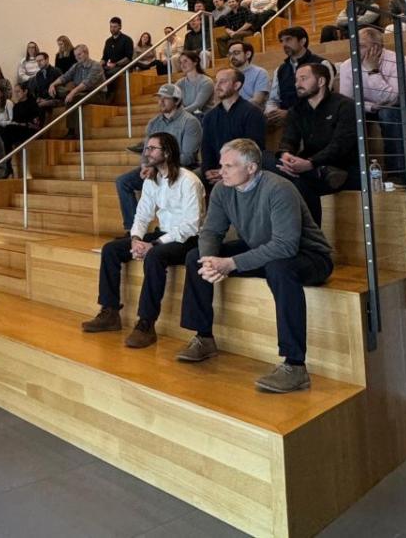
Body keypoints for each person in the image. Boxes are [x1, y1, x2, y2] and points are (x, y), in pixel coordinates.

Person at [177, 138, 334, 393]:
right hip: (262, 249)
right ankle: (203, 337)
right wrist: (210, 261)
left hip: (310, 256)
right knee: (195, 255)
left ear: (251, 168)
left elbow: (285, 246)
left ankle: (295, 366)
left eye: (229, 166)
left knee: (279, 268)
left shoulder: (278, 188)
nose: (221, 171)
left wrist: (230, 263)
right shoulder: (222, 190)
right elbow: (211, 232)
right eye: (221, 165)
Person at [83, 132, 204, 348]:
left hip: (189, 239)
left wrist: (153, 245)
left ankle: (146, 323)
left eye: (152, 148)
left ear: (166, 153)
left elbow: (190, 225)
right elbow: (142, 215)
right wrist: (136, 240)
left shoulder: (189, 181)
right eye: (146, 148)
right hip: (163, 234)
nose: (146, 153)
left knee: (155, 255)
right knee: (111, 249)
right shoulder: (152, 180)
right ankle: (110, 312)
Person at [266, 63, 359, 226]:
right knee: (263, 158)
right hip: (311, 167)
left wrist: (311, 163)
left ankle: (311, 241)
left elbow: (341, 145)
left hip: (341, 167)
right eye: (296, 80)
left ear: (321, 81)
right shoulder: (297, 110)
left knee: (299, 183)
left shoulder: (345, 105)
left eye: (303, 79)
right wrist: (285, 154)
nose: (297, 84)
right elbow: (288, 139)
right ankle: (319, 172)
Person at [115, 84, 201, 231]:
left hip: (181, 167)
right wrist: (145, 166)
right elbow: (146, 150)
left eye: (165, 98)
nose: (160, 101)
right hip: (157, 166)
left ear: (177, 101)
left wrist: (157, 167)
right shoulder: (154, 122)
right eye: (159, 98)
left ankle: (173, 229)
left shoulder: (190, 122)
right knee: (123, 182)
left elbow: (187, 157)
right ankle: (132, 229)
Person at [337, 27, 406, 179]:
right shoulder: (347, 66)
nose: (355, 50)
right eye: (353, 45)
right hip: (370, 107)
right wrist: (370, 107)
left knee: (388, 112)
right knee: (345, 115)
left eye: (361, 46)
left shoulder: (399, 61)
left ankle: (398, 174)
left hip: (403, 106)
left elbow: (392, 99)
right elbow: (346, 103)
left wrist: (372, 70)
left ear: (377, 47)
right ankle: (354, 174)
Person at [200, 69, 267, 190]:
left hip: (242, 170)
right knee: (193, 179)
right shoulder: (209, 117)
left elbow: (253, 151)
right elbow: (206, 149)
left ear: (236, 85)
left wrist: (225, 171)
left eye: (223, 82)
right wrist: (208, 171)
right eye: (216, 82)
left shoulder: (252, 113)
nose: (217, 86)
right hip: (216, 171)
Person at [265, 27, 337, 128]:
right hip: (288, 124)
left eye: (288, 39)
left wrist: (290, 113)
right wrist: (271, 113)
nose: (284, 44)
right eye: (282, 41)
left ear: (302, 41)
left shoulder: (322, 64)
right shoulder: (280, 69)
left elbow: (323, 99)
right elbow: (273, 100)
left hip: (317, 122)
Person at [226, 41, 270, 108]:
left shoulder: (260, 73)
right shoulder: (227, 75)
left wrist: (233, 108)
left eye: (236, 53)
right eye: (230, 54)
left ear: (248, 54)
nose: (232, 57)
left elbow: (257, 101)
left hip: (253, 114)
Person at [176, 51, 214, 116]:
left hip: (204, 117)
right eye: (180, 62)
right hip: (187, 117)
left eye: (185, 61)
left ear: (195, 62)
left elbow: (198, 106)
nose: (182, 65)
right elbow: (175, 103)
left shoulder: (207, 81)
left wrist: (176, 114)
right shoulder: (179, 83)